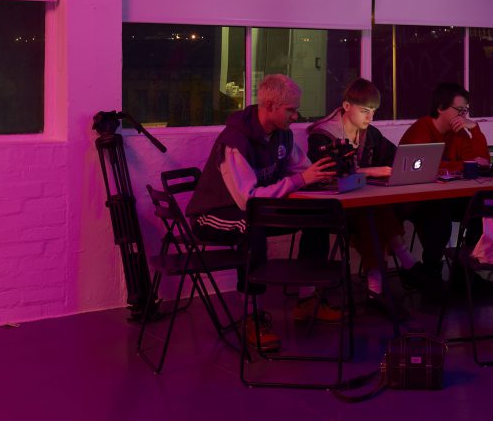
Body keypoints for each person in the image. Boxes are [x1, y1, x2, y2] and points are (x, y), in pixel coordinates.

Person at [185, 74, 341, 352]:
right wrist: (301, 180)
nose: (296, 115)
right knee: (252, 226)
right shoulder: (235, 141)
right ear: (269, 105)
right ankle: (252, 316)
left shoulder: (282, 134)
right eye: (290, 109)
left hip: (252, 209)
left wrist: (325, 176)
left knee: (317, 214)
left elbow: (298, 169)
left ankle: (307, 300)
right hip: (214, 214)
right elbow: (249, 200)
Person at [306, 79, 431, 304]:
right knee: (371, 213)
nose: (370, 118)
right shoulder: (323, 136)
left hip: (362, 205)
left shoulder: (370, 134)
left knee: (374, 209)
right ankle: (402, 264)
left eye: (373, 111)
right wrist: (373, 171)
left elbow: (394, 156)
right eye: (365, 111)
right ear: (346, 106)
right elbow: (330, 175)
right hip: (331, 208)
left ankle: (378, 283)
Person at [398, 82, 493, 297]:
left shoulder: (461, 131)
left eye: (466, 110)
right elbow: (425, 167)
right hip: (418, 200)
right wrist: (462, 166)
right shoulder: (422, 129)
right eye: (459, 110)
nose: (463, 115)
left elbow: (481, 162)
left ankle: (465, 272)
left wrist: (475, 129)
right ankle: (431, 272)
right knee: (438, 213)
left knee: (480, 210)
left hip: (451, 196)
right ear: (441, 107)